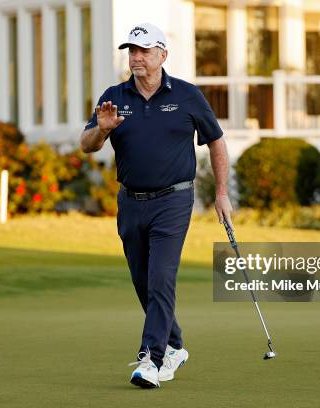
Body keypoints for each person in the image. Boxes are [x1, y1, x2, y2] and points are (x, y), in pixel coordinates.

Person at [80, 22, 233, 389]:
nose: (136, 57)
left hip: (174, 199)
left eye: (144, 51)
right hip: (130, 202)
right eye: (131, 51)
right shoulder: (114, 97)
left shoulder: (187, 95)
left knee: (161, 276)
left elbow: (216, 142)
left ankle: (153, 357)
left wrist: (223, 192)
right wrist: (102, 128)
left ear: (162, 55)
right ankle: (175, 345)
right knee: (143, 281)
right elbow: (87, 145)